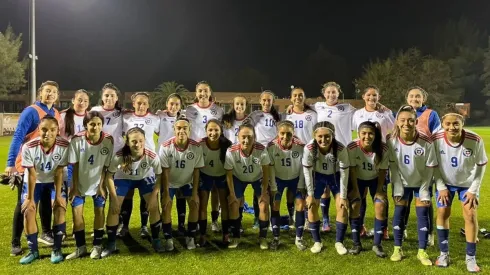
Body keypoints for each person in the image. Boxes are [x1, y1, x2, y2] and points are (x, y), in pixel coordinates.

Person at [6, 81, 61, 256]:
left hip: (47, 167)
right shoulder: (31, 111)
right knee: (24, 203)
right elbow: (18, 136)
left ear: (57, 96)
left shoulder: (56, 113)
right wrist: (10, 164)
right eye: (47, 91)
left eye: (53, 91)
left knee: (45, 200)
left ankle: (45, 233)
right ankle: (15, 241)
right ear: (40, 94)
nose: (50, 94)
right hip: (27, 165)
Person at [433, 106, 487, 272]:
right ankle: (444, 254)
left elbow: (481, 166)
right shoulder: (436, 138)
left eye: (456, 123)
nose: (451, 127)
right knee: (442, 213)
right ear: (442, 124)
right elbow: (433, 164)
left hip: (468, 184)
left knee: (470, 214)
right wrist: (441, 187)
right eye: (447, 124)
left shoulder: (475, 139)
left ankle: (470, 257)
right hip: (445, 183)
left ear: (462, 123)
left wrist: (473, 189)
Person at [387, 105, 438, 266]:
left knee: (422, 214)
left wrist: (424, 189)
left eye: (410, 120)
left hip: (422, 183)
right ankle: (397, 248)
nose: (406, 123)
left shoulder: (426, 141)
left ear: (416, 121)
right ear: (397, 122)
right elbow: (393, 166)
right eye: (402, 120)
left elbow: (430, 168)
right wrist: (398, 186)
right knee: (399, 211)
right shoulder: (391, 140)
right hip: (401, 182)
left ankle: (422, 251)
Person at [103, 127, 163, 257]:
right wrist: (113, 199)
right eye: (134, 141)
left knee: (154, 208)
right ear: (128, 142)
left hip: (144, 178)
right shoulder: (119, 156)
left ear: (144, 140)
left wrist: (154, 197)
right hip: (124, 179)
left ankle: (156, 239)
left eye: (141, 141)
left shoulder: (151, 155)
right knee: (114, 209)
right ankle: (111, 244)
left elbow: (160, 176)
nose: (138, 144)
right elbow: (109, 176)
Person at [18, 116, 68, 264]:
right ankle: (33, 251)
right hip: (35, 181)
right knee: (29, 211)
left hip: (55, 180)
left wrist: (58, 196)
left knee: (59, 208)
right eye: (44, 129)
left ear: (58, 130)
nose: (48, 133)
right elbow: (32, 174)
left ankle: (57, 249)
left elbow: (59, 172)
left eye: (52, 130)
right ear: (38, 130)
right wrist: (29, 198)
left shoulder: (64, 145)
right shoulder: (29, 146)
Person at [65, 111, 114, 260]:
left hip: (98, 183)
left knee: (99, 212)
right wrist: (73, 187)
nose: (96, 127)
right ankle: (81, 247)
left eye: (99, 124)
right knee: (77, 214)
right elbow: (74, 165)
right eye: (92, 124)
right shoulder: (76, 140)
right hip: (79, 183)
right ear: (86, 125)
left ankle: (97, 246)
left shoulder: (108, 141)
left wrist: (101, 186)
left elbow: (106, 167)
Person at [302, 121, 353, 254]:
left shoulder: (340, 149)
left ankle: (339, 242)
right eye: (320, 136)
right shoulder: (308, 148)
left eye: (327, 136)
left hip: (335, 176)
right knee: (312, 205)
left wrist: (343, 197)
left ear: (333, 136)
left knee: (342, 206)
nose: (323, 140)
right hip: (317, 177)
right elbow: (307, 172)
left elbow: (344, 173)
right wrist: (310, 194)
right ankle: (317, 241)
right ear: (314, 136)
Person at [352, 85, 394, 238]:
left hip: (379, 156)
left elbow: (394, 130)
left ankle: (383, 229)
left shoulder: (385, 113)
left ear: (379, 97)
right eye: (368, 95)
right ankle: (361, 226)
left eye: (374, 95)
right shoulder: (357, 114)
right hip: (362, 156)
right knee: (361, 195)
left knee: (380, 194)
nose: (371, 98)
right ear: (363, 96)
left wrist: (387, 111)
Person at [158, 115, 204, 250]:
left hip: (187, 181)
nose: (181, 131)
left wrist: (195, 193)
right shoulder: (166, 146)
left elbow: (196, 171)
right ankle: (168, 238)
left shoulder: (196, 147)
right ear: (174, 129)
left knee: (195, 204)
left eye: (185, 128)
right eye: (178, 128)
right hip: (170, 182)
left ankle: (190, 236)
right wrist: (166, 193)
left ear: (190, 130)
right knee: (166, 206)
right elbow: (165, 172)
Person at [403, 86, 441, 245]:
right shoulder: (401, 113)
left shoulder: (431, 114)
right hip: (405, 163)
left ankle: (430, 232)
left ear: (423, 99)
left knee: (425, 198)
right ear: (407, 98)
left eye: (418, 96)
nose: (414, 99)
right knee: (404, 198)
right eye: (411, 96)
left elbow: (438, 136)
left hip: (424, 164)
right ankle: (402, 227)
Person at [119, 92, 160, 239]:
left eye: (144, 103)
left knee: (146, 196)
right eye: (138, 103)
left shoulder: (155, 119)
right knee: (127, 195)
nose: (141, 106)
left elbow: (165, 132)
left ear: (148, 105)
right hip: (129, 161)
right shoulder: (126, 118)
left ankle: (144, 227)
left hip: (147, 163)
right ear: (134, 103)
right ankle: (124, 226)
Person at [225, 123, 271, 249]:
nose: (246, 140)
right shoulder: (231, 151)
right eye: (243, 137)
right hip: (238, 178)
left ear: (254, 137)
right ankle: (235, 237)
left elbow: (266, 172)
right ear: (238, 137)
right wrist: (232, 194)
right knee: (234, 203)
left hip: (257, 178)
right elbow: (229, 175)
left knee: (263, 204)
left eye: (249, 137)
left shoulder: (261, 149)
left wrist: (263, 193)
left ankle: (263, 238)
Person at [185, 81, 223, 233]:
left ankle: (214, 221)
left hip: (212, 151)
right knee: (197, 190)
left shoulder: (218, 110)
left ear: (210, 92)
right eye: (200, 91)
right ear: (196, 93)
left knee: (214, 189)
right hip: (195, 152)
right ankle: (197, 222)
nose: (203, 94)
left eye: (205, 91)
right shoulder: (189, 109)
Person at [347, 121, 389, 257]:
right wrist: (355, 189)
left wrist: (379, 190)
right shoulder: (352, 147)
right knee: (355, 205)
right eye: (363, 133)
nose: (367, 136)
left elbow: (383, 171)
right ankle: (356, 243)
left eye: (370, 133)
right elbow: (352, 169)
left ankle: (377, 245)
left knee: (380, 205)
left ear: (375, 134)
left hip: (376, 179)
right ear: (358, 134)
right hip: (357, 178)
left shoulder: (383, 148)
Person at [267, 120, 306, 250]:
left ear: (293, 133)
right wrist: (273, 187)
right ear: (277, 133)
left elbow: (302, 167)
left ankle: (299, 238)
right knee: (275, 204)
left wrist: (301, 184)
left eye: (288, 134)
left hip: (295, 179)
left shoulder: (300, 146)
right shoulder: (271, 147)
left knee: (300, 204)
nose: (285, 137)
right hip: (279, 179)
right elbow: (271, 168)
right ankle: (276, 238)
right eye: (282, 133)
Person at [245, 90, 281, 229]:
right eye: (264, 100)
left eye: (269, 100)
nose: (266, 103)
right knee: (258, 186)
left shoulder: (278, 116)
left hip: (273, 153)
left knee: (273, 186)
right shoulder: (254, 115)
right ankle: (256, 217)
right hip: (258, 153)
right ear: (260, 101)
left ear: (273, 102)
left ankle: (273, 217)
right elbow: (246, 128)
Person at [156, 93, 188, 235]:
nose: (173, 106)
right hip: (163, 158)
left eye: (176, 104)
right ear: (166, 104)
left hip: (180, 159)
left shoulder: (183, 120)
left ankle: (181, 224)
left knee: (181, 193)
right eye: (171, 103)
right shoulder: (160, 117)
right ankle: (165, 223)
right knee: (165, 192)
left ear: (180, 106)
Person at [198, 119, 232, 245]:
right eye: (210, 130)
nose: (213, 133)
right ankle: (202, 234)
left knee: (224, 204)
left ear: (221, 131)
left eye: (216, 130)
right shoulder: (200, 144)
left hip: (221, 176)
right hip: (205, 175)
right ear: (206, 131)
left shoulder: (227, 145)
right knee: (203, 204)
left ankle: (226, 233)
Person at [222, 95, 248, 232]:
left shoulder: (250, 120)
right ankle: (231, 220)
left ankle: (239, 220)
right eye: (237, 104)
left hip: (244, 158)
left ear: (246, 105)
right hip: (230, 157)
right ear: (233, 104)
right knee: (230, 190)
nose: (239, 106)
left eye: (242, 104)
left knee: (240, 192)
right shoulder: (227, 120)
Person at [90, 83, 124, 153]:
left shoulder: (122, 113)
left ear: (117, 98)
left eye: (112, 96)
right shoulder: (94, 111)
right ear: (102, 97)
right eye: (106, 95)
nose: (109, 98)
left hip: (117, 151)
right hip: (98, 150)